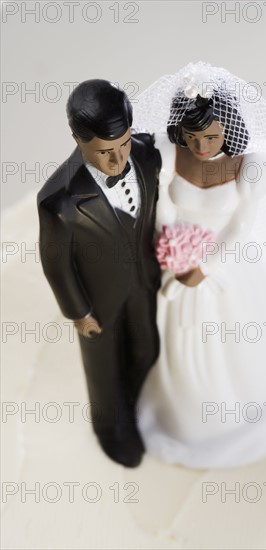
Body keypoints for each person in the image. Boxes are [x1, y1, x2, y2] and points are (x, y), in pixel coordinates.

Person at [134, 62, 266, 468]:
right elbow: (162, 205)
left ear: (228, 130)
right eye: (192, 137)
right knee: (184, 341)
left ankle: (247, 409)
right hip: (178, 259)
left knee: (238, 338)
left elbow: (240, 225)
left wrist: (206, 267)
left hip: (227, 263)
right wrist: (170, 244)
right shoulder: (166, 153)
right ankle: (189, 417)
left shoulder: (251, 169)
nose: (201, 147)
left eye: (211, 137)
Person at [37, 79, 161, 467]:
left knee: (146, 347)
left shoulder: (145, 155)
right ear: (76, 139)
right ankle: (112, 428)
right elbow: (56, 264)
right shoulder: (59, 201)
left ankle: (142, 409)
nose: (118, 159)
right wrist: (78, 312)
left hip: (144, 282)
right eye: (105, 152)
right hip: (98, 300)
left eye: (123, 144)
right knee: (103, 369)